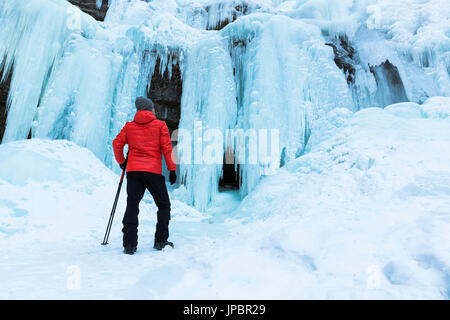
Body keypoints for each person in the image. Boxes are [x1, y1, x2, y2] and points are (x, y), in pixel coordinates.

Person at [113, 96, 177, 255]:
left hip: (134, 172)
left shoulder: (129, 126)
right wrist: (172, 169)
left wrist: (122, 162)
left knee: (132, 206)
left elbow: (117, 144)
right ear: (150, 109)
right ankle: (161, 240)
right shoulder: (160, 125)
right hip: (153, 172)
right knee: (163, 205)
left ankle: (129, 244)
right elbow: (167, 149)